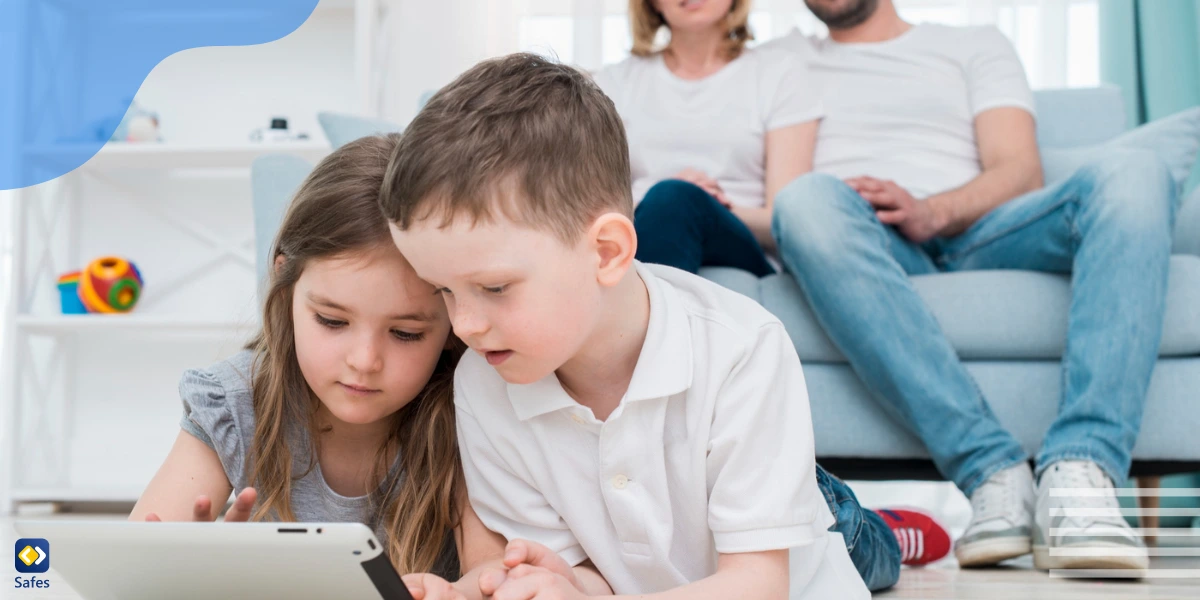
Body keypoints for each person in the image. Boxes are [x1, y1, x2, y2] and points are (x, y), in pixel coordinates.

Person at [383, 51, 871, 599]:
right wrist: (556, 584)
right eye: (443, 290)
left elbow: (757, 585)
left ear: (607, 251)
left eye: (495, 288)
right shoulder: (483, 382)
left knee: (846, 527)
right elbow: (597, 575)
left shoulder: (741, 349)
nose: (465, 325)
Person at [768, 0, 1175, 573]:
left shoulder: (973, 44)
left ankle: (1081, 472)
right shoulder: (779, 63)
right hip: (867, 244)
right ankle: (993, 472)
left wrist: (933, 210)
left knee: (1137, 171)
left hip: (985, 230)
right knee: (804, 201)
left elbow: (1019, 170)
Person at [593, 0, 947, 587]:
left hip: (738, 236)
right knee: (668, 201)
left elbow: (786, 209)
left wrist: (704, 201)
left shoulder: (776, 73)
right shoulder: (614, 85)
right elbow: (591, 208)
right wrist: (657, 192)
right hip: (644, 230)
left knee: (678, 201)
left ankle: (650, 408)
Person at [131, 135, 528, 599]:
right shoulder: (235, 404)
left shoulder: (470, 410)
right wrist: (197, 582)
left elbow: (488, 575)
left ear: (455, 320)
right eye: (332, 321)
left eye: (406, 333)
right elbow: (134, 570)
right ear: (285, 280)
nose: (364, 361)